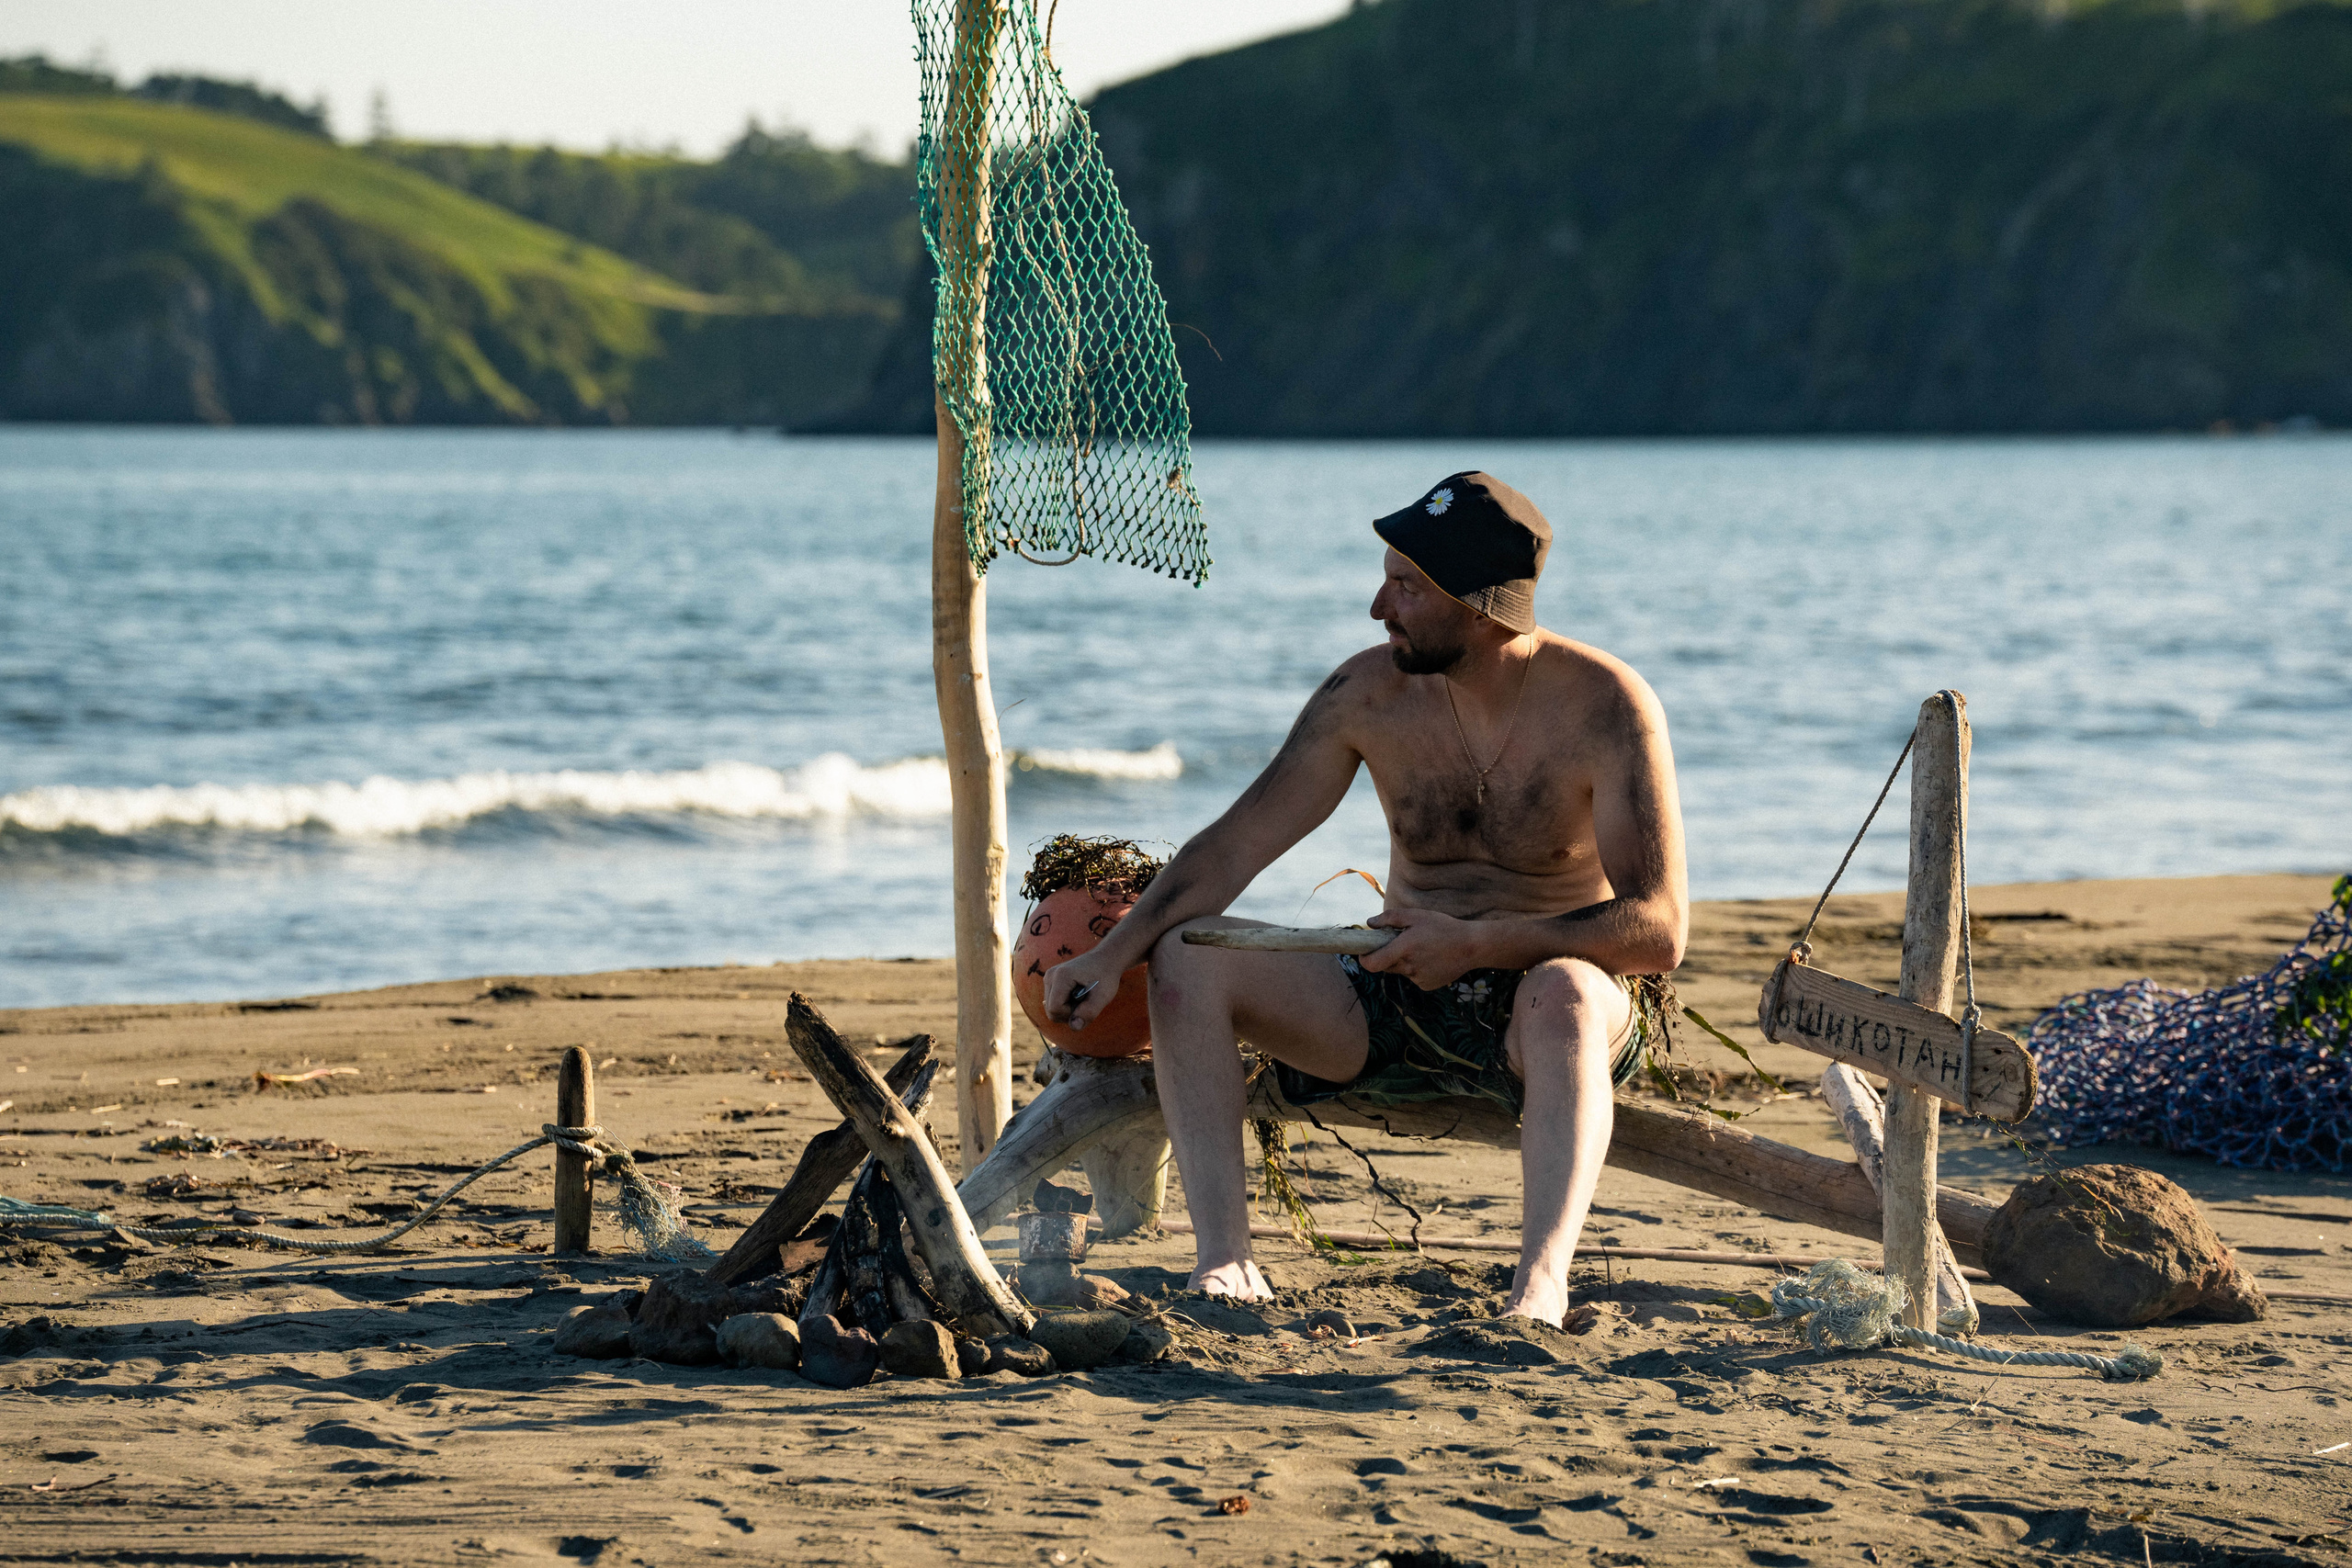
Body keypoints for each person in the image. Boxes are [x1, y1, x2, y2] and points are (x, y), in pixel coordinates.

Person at [1043, 471, 1688, 1329]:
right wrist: (1110, 950)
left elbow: (1658, 928)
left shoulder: (1606, 706)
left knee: (1565, 992)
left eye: (1407, 587)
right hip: (1396, 986)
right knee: (1187, 954)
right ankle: (1227, 1260)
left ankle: (1540, 1286)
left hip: (1544, 1004)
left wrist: (1482, 940)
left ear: (1481, 604)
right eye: (1387, 577)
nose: (1378, 606)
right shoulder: (1368, 694)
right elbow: (1235, 844)